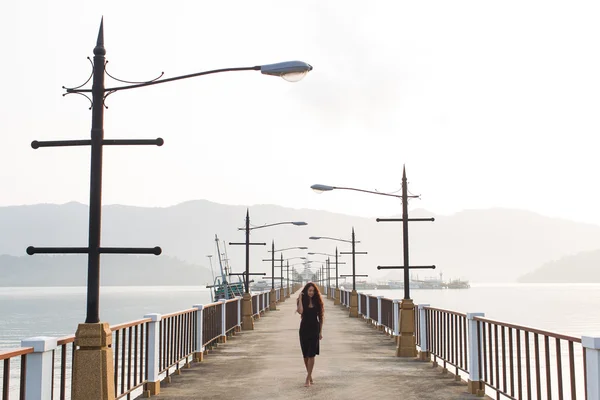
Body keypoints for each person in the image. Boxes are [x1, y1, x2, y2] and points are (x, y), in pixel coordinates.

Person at [296, 282, 324, 387]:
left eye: (313, 291)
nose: (311, 293)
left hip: (314, 330)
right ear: (306, 291)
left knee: (311, 354)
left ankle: (308, 378)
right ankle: (310, 374)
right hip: (304, 330)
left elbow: (321, 318)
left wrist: (320, 332)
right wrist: (299, 298)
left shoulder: (318, 302)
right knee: (305, 355)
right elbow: (300, 311)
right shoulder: (303, 300)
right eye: (309, 291)